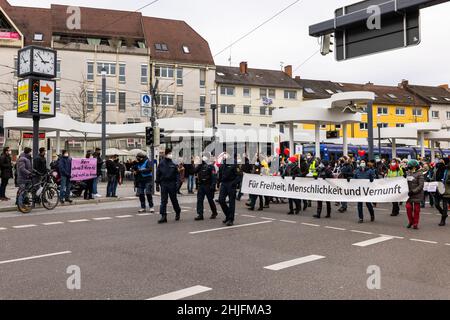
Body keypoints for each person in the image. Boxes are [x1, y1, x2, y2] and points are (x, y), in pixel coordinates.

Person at [155, 149, 181, 223]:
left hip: (172, 184)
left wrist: (177, 184)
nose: (171, 155)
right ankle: (163, 216)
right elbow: (158, 173)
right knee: (163, 201)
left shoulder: (174, 163)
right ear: (166, 154)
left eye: (171, 153)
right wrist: (157, 184)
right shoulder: (161, 163)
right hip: (164, 184)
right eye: (169, 153)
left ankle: (177, 212)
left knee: (174, 200)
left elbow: (177, 175)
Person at [217, 152, 240, 226]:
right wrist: (218, 183)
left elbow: (239, 175)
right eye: (223, 154)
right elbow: (220, 175)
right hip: (224, 184)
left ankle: (230, 219)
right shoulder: (222, 165)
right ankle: (228, 215)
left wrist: (234, 183)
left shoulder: (234, 163)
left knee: (231, 202)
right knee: (221, 200)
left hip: (231, 184)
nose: (224, 155)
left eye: (226, 154)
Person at [194, 154, 218, 220]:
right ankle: (200, 214)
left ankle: (214, 212)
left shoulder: (211, 166)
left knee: (210, 200)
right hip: (201, 185)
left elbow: (214, 177)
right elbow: (194, 171)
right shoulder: (200, 165)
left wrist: (213, 185)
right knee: (199, 200)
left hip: (208, 185)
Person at [405, 159, 424, 229]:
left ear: (414, 167)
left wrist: (413, 191)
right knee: (408, 208)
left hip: (417, 194)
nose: (408, 168)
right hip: (409, 195)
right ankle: (411, 221)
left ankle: (415, 223)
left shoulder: (420, 174)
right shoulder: (408, 173)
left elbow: (421, 185)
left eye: (410, 166)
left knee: (416, 210)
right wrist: (403, 177)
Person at [434, 159, 448, 226]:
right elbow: (434, 178)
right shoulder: (436, 170)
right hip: (437, 189)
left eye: (441, 162)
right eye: (439, 162)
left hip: (446, 190)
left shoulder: (446, 170)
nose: (439, 164)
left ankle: (443, 220)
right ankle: (443, 213)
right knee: (436, 204)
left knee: (445, 205)